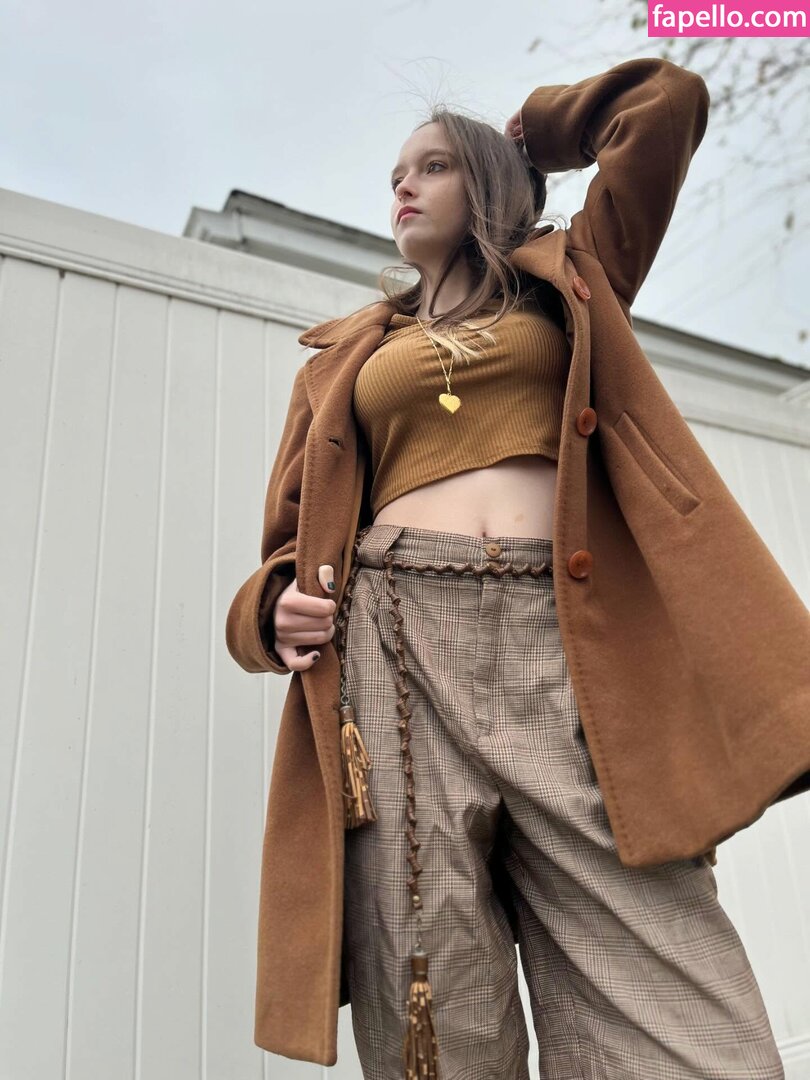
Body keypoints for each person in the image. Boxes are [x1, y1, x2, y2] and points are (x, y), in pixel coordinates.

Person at [226, 57, 809, 1079]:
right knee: (431, 981)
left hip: (567, 638)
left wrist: (533, 134)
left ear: (488, 182)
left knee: (675, 995)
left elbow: (665, 102)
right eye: (396, 175)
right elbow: (287, 538)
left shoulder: (575, 276)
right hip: (392, 642)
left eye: (435, 165)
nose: (404, 187)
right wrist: (271, 608)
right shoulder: (342, 359)